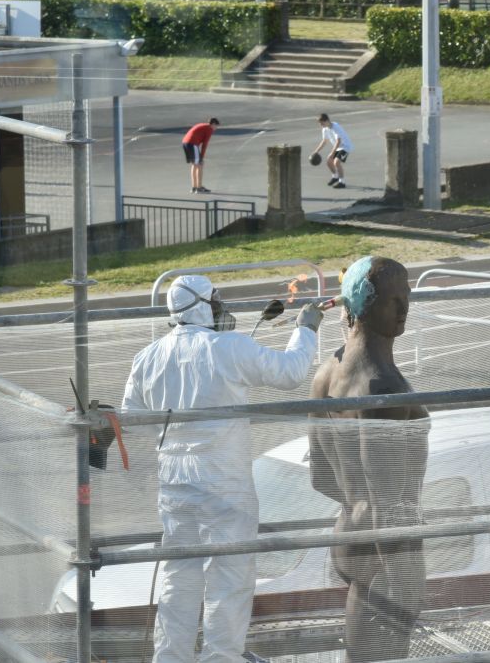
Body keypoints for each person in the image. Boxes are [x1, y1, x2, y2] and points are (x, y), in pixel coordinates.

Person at [122, 275, 323, 663]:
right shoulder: (230, 347)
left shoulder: (148, 357)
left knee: (178, 582)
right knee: (228, 582)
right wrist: (306, 329)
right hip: (224, 485)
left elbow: (135, 421)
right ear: (203, 305)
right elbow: (290, 372)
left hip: (175, 486)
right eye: (216, 301)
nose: (221, 308)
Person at [308, 256, 429, 662]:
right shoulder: (384, 387)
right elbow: (385, 504)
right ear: (365, 303)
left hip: (348, 535)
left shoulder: (327, 374)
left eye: (407, 297)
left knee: (360, 653)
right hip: (388, 547)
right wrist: (404, 584)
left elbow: (320, 478)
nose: (404, 308)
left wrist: (353, 502)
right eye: (394, 300)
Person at [311, 113, 353, 189]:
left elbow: (338, 141)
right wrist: (316, 151)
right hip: (338, 147)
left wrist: (332, 153)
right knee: (329, 161)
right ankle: (335, 177)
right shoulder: (325, 129)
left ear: (327, 120)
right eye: (320, 123)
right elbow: (324, 141)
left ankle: (342, 182)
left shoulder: (336, 127)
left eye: (322, 123)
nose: (321, 125)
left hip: (346, 147)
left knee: (336, 162)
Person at [182, 117, 219, 194]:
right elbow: (205, 144)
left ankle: (194, 187)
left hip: (185, 142)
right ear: (213, 124)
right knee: (200, 165)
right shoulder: (209, 129)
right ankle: (198, 188)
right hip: (192, 143)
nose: (216, 128)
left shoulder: (203, 125)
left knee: (195, 165)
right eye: (216, 126)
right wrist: (202, 157)